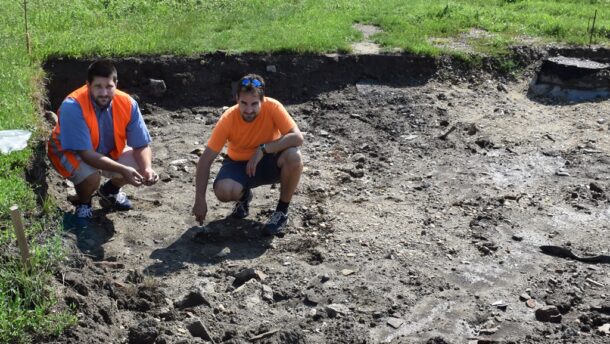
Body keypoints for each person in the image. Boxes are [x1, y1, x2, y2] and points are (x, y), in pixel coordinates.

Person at [192, 74, 304, 235]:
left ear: (263, 100)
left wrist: (263, 149)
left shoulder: (273, 107)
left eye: (254, 104)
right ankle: (243, 198)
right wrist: (200, 200)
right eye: (243, 103)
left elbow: (298, 137)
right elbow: (205, 160)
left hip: (270, 161)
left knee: (294, 156)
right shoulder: (228, 119)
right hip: (239, 164)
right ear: (236, 98)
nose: (249, 110)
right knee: (224, 191)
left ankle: (281, 212)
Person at [48, 60, 158, 219]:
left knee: (139, 164)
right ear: (88, 85)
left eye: (109, 87)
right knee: (91, 177)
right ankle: (83, 203)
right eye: (98, 86)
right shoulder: (73, 106)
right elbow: (86, 154)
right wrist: (122, 169)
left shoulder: (128, 103)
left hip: (101, 150)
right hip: (67, 149)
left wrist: (147, 168)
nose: (104, 92)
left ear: (116, 84)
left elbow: (141, 145)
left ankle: (110, 191)